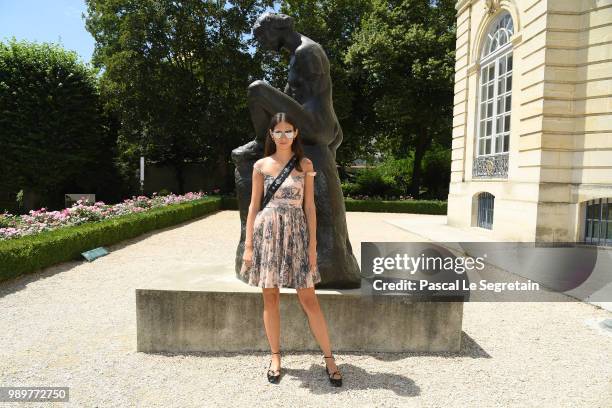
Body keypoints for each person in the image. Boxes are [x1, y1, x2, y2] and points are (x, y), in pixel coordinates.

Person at [241, 112, 343, 387]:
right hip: (268, 233)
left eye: (288, 131)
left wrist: (312, 247)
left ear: (296, 133)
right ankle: (275, 357)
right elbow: (253, 206)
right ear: (271, 135)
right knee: (270, 298)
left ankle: (330, 358)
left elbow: (310, 207)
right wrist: (248, 245)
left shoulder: (304, 163)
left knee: (309, 300)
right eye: (279, 131)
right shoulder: (261, 165)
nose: (283, 136)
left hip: (296, 233)